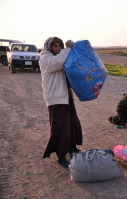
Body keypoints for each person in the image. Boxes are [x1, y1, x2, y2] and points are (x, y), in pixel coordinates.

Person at [40, 37, 82, 167]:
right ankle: (61, 156)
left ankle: (71, 147)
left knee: (71, 123)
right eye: (55, 46)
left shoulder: (60, 56)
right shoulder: (45, 58)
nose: (58, 49)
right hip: (55, 98)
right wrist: (67, 49)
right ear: (49, 47)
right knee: (60, 128)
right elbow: (57, 63)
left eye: (60, 46)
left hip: (65, 97)